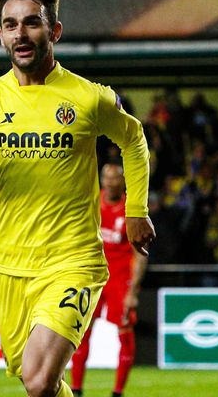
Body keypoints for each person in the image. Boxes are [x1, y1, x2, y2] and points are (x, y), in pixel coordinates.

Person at [0, 0, 155, 397]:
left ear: (55, 30)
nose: (21, 33)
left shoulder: (89, 98)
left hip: (73, 262)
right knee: (39, 383)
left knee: (37, 377)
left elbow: (134, 139)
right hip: (11, 266)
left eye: (32, 23)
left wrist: (137, 208)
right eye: (11, 25)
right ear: (1, 35)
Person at [69, 163, 147, 397]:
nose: (110, 182)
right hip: (93, 276)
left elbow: (140, 253)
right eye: (107, 177)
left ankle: (117, 392)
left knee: (124, 333)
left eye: (115, 178)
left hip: (120, 280)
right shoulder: (91, 201)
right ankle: (76, 389)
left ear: (122, 182)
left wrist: (133, 290)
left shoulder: (131, 208)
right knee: (80, 332)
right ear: (102, 179)